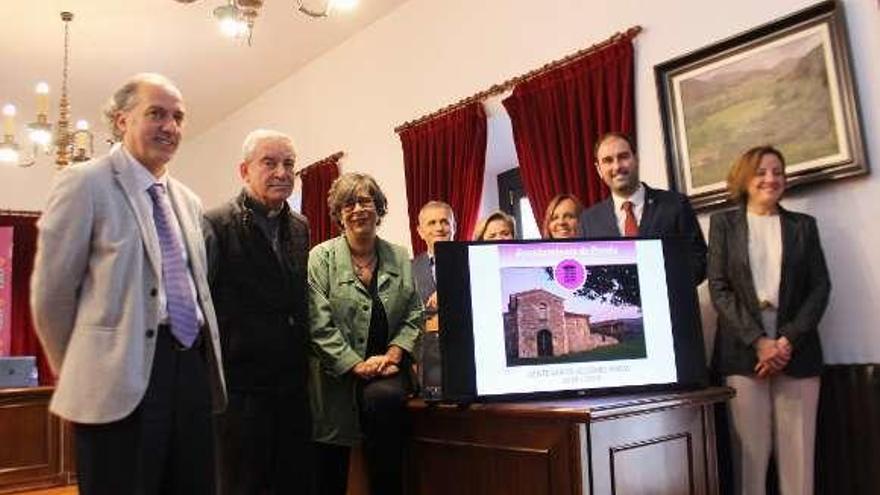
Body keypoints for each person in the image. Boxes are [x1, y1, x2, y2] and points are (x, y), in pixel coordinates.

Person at [30, 73, 226, 494]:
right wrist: (83, 371)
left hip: (190, 368)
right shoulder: (84, 183)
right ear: (121, 120)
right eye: (156, 113)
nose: (170, 126)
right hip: (117, 377)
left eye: (178, 117)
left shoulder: (188, 201)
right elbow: (51, 294)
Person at [708, 146, 830, 495]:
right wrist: (759, 342)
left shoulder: (803, 227)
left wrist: (785, 341)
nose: (771, 178)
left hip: (797, 347)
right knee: (750, 460)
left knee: (799, 458)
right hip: (743, 347)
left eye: (778, 171)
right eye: (761, 171)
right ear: (745, 178)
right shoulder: (723, 225)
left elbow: (820, 288)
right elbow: (719, 288)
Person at [203, 129, 312, 494]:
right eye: (270, 162)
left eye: (289, 164)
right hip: (240, 390)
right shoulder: (215, 223)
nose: (282, 172)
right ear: (244, 171)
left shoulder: (300, 226)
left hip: (293, 386)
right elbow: (199, 305)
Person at [308, 172, 422, 495]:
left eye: (365, 200)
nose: (357, 209)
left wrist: (395, 353)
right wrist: (355, 365)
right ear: (338, 213)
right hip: (336, 374)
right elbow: (318, 324)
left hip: (387, 368)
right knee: (327, 464)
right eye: (348, 203)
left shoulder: (399, 256)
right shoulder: (320, 258)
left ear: (378, 207)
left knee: (385, 404)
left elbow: (414, 314)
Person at [580, 132, 708, 284]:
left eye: (623, 157)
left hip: (671, 303)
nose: (617, 166)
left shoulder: (675, 205)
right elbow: (589, 275)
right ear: (599, 169)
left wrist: (663, 284)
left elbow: (699, 261)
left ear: (636, 159)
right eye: (608, 161)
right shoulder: (589, 220)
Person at [411, 200, 456, 326]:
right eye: (432, 223)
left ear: (454, 227)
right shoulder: (408, 270)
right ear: (420, 232)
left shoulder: (473, 262)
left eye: (445, 222)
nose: (439, 228)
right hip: (426, 344)